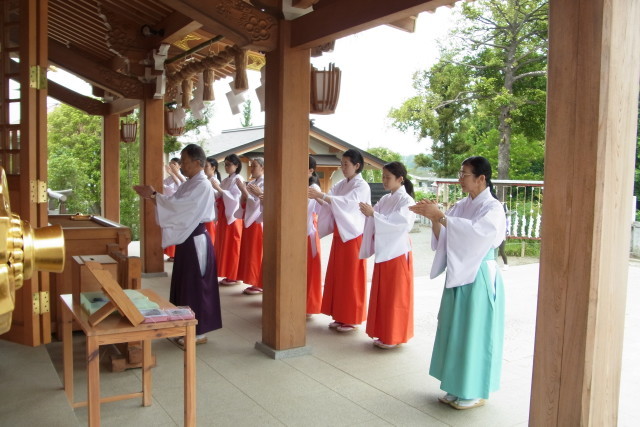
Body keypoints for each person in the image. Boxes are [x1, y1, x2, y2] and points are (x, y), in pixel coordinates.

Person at [409, 156, 506, 410]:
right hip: (460, 270)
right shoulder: (462, 205)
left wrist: (441, 216)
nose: (460, 178)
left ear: (481, 178)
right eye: (460, 173)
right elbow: (447, 236)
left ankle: (474, 389)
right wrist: (435, 219)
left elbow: (476, 235)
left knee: (474, 330)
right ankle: (455, 384)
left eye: (465, 174)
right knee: (456, 328)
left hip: (479, 273)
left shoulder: (493, 208)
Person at [133, 144, 222, 346]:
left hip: (196, 238)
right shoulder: (190, 183)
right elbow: (173, 203)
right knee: (184, 283)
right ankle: (183, 324)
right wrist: (152, 196)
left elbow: (179, 208)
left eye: (184, 161)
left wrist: (155, 196)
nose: (181, 165)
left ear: (197, 162)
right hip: (187, 238)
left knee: (196, 286)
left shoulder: (202, 184)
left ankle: (198, 331)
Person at [308, 149, 371, 332]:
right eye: (342, 164)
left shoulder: (362, 186)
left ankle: (351, 318)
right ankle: (339, 315)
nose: (343, 168)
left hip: (353, 235)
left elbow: (348, 204)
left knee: (351, 277)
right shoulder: (342, 184)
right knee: (338, 276)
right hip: (341, 234)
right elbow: (331, 202)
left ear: (357, 166)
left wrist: (320, 196)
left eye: (346, 164)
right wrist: (319, 198)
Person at [359, 161, 416, 349]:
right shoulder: (386, 199)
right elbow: (379, 218)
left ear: (400, 179)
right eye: (383, 176)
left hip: (398, 251)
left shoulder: (406, 201)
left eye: (387, 177)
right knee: (384, 294)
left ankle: (394, 335)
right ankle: (383, 331)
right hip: (386, 250)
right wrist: (372, 214)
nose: (384, 180)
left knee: (395, 296)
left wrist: (373, 214)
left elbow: (400, 224)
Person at [211, 154, 244, 285]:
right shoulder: (226, 180)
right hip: (225, 215)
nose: (226, 167)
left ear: (236, 165)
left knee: (233, 245)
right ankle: (228, 272)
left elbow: (235, 199)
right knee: (224, 244)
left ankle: (234, 275)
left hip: (233, 216)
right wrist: (216, 190)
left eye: (229, 164)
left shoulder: (238, 179)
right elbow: (219, 194)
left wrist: (219, 190)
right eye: (225, 164)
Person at [235, 157, 265, 295]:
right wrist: (243, 192)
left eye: (254, 166)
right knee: (249, 251)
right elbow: (247, 201)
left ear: (263, 168)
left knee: (256, 252)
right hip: (249, 220)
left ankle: (258, 282)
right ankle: (252, 280)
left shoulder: (265, 183)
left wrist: (244, 190)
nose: (252, 168)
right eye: (251, 166)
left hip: (258, 221)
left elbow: (257, 204)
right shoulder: (253, 182)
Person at [306, 156, 323, 317]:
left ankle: (309, 305)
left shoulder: (314, 188)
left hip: (308, 232)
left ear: (311, 170)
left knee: (309, 272)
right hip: (299, 232)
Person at [162, 157, 185, 261]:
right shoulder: (169, 178)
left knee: (175, 230)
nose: (171, 166)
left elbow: (179, 186)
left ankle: (175, 254)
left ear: (179, 166)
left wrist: (172, 173)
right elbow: (162, 185)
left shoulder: (181, 177)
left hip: (177, 208)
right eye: (170, 164)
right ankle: (170, 253)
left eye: (174, 164)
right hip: (169, 207)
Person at [204, 156, 221, 246]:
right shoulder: (207, 180)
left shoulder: (214, 181)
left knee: (210, 236)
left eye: (206, 166)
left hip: (211, 211)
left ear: (213, 168)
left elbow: (217, 195)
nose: (204, 168)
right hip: (206, 211)